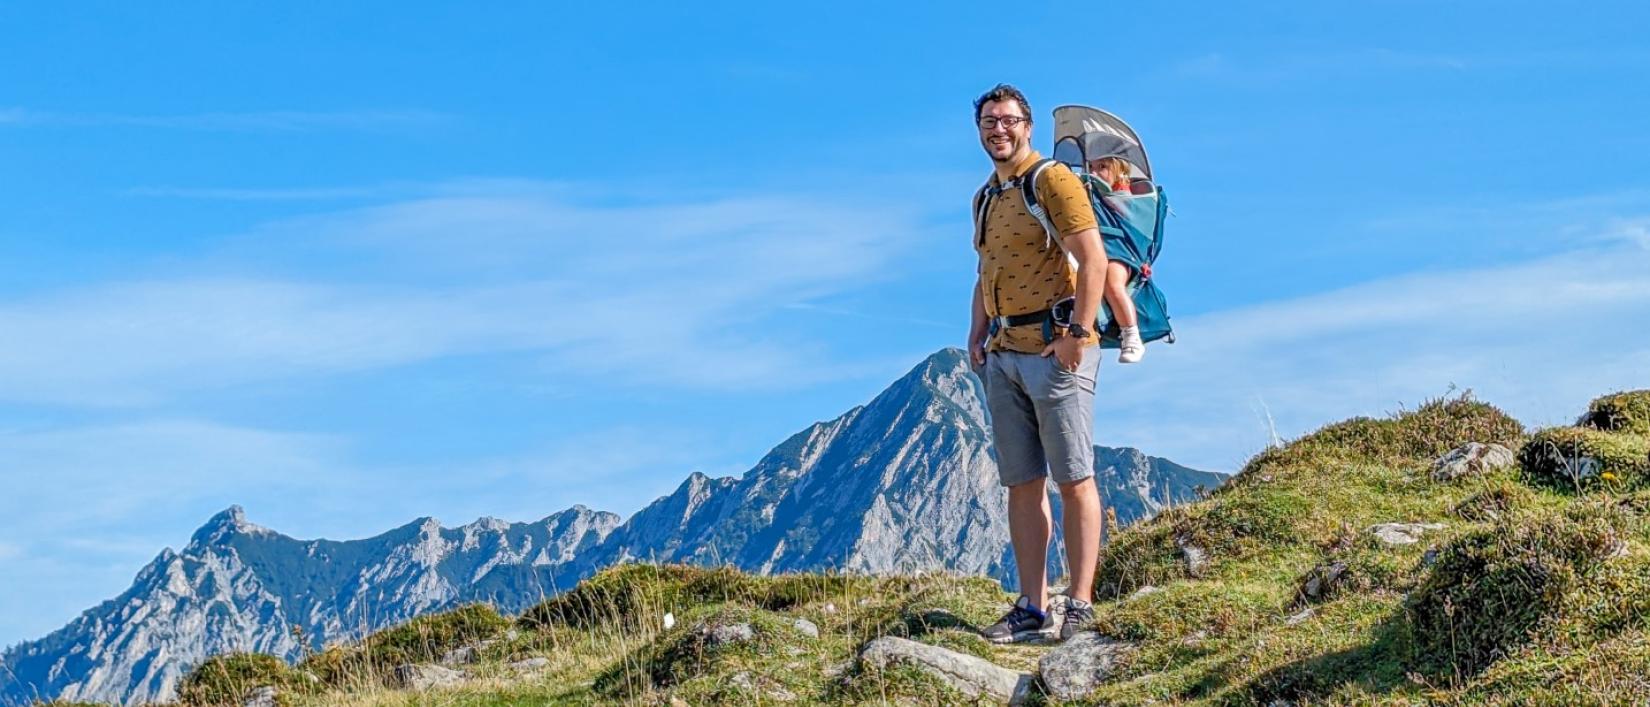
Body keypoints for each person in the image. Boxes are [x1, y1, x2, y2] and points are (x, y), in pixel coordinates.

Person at [968, 84, 1107, 643]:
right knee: (1022, 483)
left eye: (1006, 120)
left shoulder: (1051, 180)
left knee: (1074, 478)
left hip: (1056, 348)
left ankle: (1080, 602)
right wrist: (977, 331)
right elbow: (984, 270)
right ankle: (1033, 604)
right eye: (987, 122)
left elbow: (1092, 258)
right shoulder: (985, 196)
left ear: (1027, 125)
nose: (997, 130)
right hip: (1003, 353)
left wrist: (1077, 334)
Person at [1085, 155, 1147, 364]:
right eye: (1091, 167)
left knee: (1112, 283)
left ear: (1120, 171)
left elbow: (1127, 214)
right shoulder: (1094, 196)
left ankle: (1131, 334)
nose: (1094, 172)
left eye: (1102, 167)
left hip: (1119, 252)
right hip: (1096, 251)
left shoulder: (1124, 196)